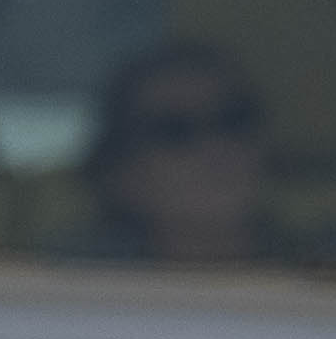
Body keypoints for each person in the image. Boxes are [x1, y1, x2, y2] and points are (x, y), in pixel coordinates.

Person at [79, 40, 272, 263]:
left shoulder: (315, 272)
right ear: (120, 174)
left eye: (234, 119)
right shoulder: (66, 283)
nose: (216, 145)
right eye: (174, 130)